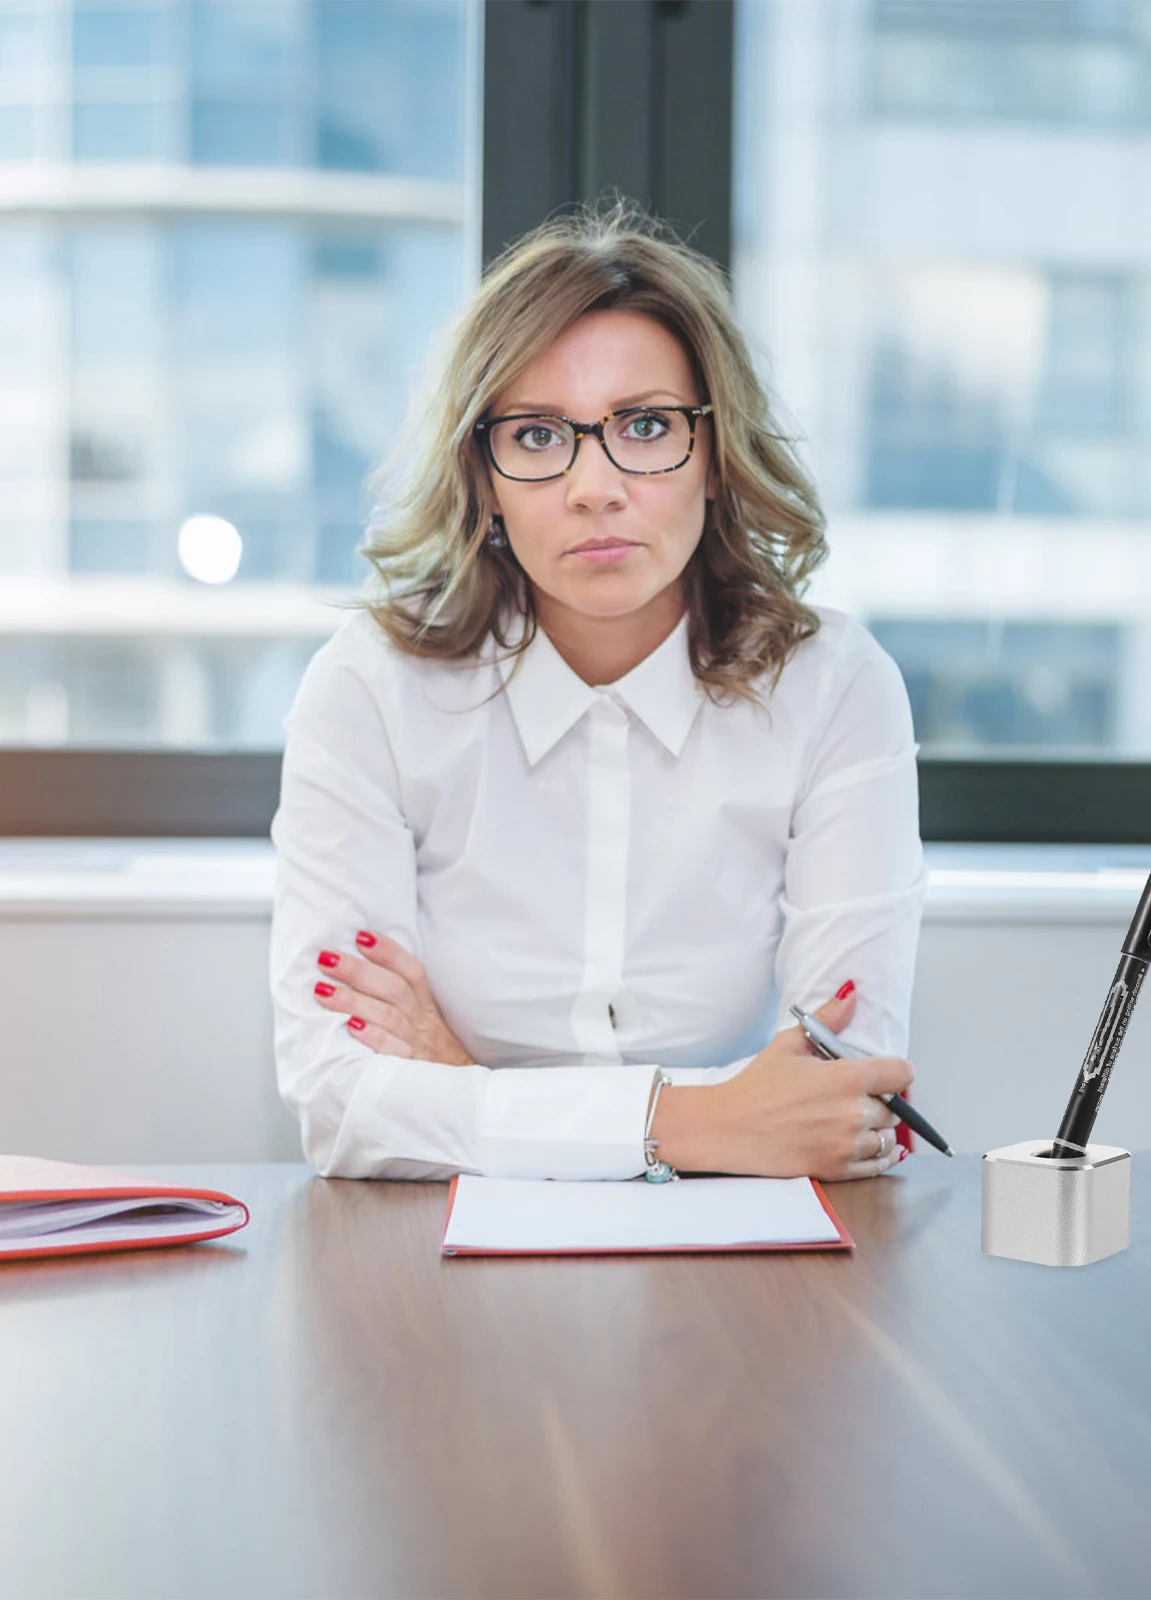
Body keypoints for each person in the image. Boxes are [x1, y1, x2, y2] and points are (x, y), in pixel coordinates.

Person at [269, 203, 926, 1183]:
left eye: (647, 426)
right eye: (537, 436)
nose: (593, 485)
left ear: (715, 455)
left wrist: (460, 1082)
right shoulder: (369, 687)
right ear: (484, 475)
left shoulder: (833, 686)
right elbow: (335, 1104)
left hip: (750, 1286)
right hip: (434, 1283)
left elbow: (841, 1097)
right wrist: (698, 1123)